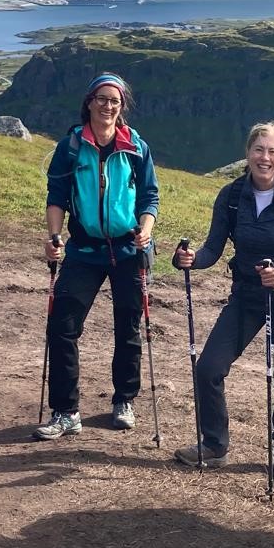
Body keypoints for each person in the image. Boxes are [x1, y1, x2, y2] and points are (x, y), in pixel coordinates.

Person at [171, 122, 274, 481]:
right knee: (209, 367)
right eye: (258, 150)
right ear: (248, 153)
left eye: (272, 151)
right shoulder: (232, 195)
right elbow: (212, 249)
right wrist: (189, 259)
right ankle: (214, 445)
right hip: (247, 294)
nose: (264, 158)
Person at [34, 73, 159, 440]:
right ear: (89, 101)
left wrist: (146, 229)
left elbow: (149, 196)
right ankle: (65, 411)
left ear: (122, 107)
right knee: (63, 327)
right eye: (101, 99)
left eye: (115, 101)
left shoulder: (136, 146)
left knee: (129, 327)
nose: (107, 106)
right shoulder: (71, 147)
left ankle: (124, 401)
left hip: (128, 248)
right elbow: (56, 196)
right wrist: (54, 237)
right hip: (83, 249)